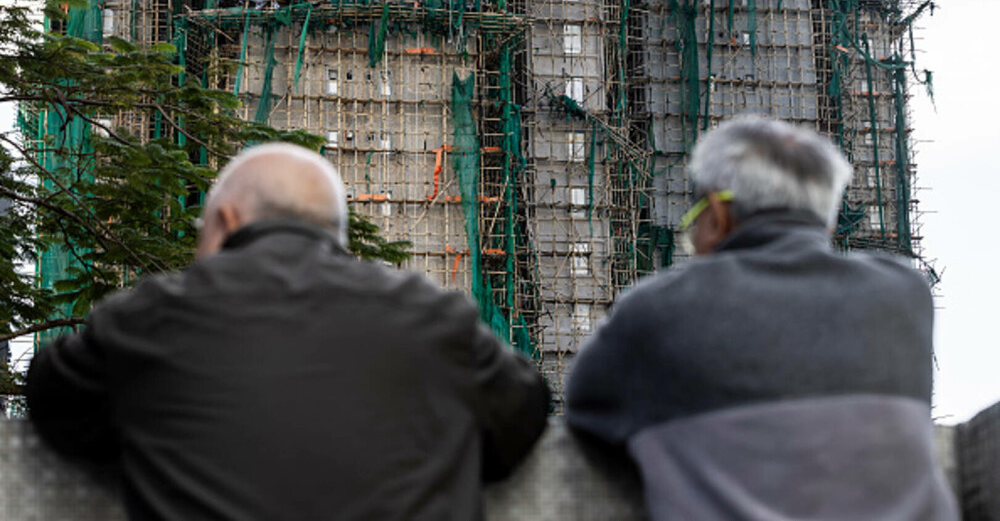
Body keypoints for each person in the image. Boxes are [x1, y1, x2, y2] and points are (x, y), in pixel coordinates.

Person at [27, 143, 549, 520]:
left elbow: (54, 399)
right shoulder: (435, 315)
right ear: (338, 235)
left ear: (226, 221)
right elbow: (522, 414)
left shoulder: (150, 316)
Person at [565, 116, 958, 520]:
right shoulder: (904, 293)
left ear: (717, 213)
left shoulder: (658, 308)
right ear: (827, 219)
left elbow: (585, 411)